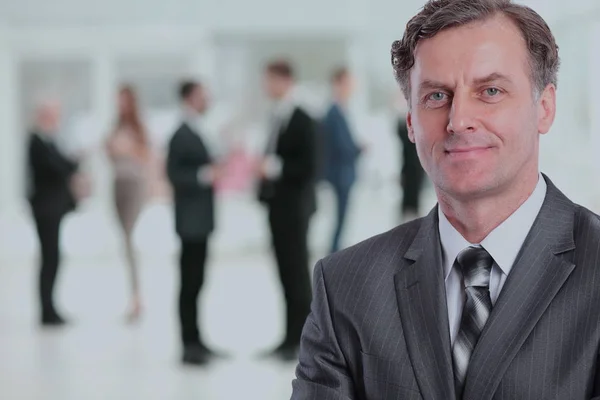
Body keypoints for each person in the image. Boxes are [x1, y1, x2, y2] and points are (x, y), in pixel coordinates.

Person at [292, 1, 600, 398]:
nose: (458, 120)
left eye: (490, 91)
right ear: (410, 123)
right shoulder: (344, 288)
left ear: (544, 107)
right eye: (436, 96)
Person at [257, 60, 318, 361]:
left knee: (296, 274)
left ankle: (305, 341)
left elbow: (310, 167)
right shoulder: (276, 116)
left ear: (284, 80)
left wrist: (274, 167)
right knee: (284, 272)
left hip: (295, 209)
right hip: (277, 207)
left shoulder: (303, 118)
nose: (265, 86)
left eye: (269, 80)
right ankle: (288, 338)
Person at [166, 80, 223, 366]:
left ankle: (197, 339)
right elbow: (174, 174)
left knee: (197, 281)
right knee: (189, 283)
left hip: (200, 220)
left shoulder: (197, 129)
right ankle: (189, 345)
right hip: (190, 221)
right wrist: (205, 174)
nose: (207, 100)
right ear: (189, 98)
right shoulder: (181, 133)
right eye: (203, 96)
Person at [27, 99, 79, 326]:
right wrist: (70, 163)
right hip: (44, 209)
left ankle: (50, 308)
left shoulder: (51, 141)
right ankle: (46, 310)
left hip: (54, 208)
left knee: (53, 258)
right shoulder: (37, 142)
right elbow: (58, 168)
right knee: (49, 258)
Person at [106, 85, 149, 323]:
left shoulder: (138, 127)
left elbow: (146, 155)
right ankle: (133, 294)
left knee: (130, 238)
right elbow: (108, 153)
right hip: (118, 183)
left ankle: (136, 297)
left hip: (134, 184)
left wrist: (129, 148)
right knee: (124, 238)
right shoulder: (114, 127)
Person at [321, 67, 363, 254]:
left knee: (343, 218)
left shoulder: (342, 111)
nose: (351, 88)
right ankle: (334, 253)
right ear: (337, 84)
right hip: (339, 175)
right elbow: (341, 146)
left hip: (344, 174)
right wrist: (357, 148)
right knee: (339, 218)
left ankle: (336, 251)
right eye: (347, 83)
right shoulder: (333, 113)